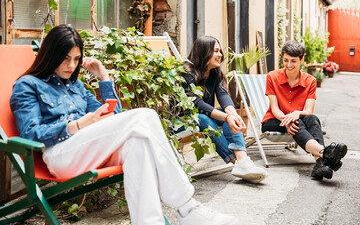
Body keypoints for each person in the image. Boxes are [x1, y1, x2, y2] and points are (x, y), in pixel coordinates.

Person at [10, 25, 238, 225]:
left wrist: (104, 77)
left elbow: (117, 116)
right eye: (65, 58)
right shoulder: (28, 85)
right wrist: (78, 125)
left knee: (137, 143)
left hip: (86, 150)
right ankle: (188, 208)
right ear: (50, 55)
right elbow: (31, 135)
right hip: (59, 155)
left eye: (77, 59)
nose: (72, 65)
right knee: (145, 116)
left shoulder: (75, 86)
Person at [181, 36, 268, 183]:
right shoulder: (186, 73)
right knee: (205, 118)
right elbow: (197, 104)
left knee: (228, 115)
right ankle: (237, 163)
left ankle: (242, 160)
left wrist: (232, 115)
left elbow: (223, 95)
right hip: (181, 119)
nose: (220, 54)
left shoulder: (215, 72)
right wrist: (227, 117)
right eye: (216, 51)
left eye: (219, 50)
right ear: (203, 52)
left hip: (203, 114)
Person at [261, 40, 347, 180]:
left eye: (293, 61)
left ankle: (320, 165)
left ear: (302, 60)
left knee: (312, 119)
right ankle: (326, 153)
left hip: (298, 118)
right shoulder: (272, 77)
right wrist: (287, 119)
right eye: (285, 60)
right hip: (273, 120)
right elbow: (275, 109)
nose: (289, 65)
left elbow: (308, 111)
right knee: (296, 123)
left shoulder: (310, 81)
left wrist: (296, 113)